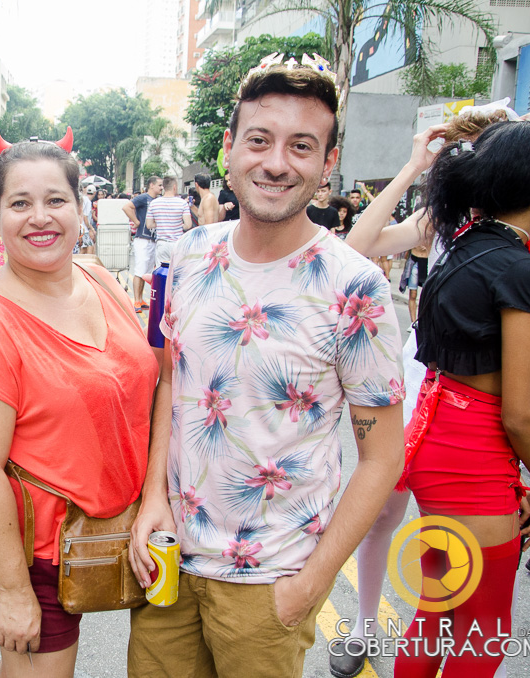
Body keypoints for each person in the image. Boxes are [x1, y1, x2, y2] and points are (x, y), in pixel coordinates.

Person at [127, 55, 405, 678]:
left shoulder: (354, 287)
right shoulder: (187, 255)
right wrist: (152, 501)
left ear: (327, 163)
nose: (277, 162)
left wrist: (310, 583)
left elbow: (384, 457)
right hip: (170, 562)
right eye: (259, 139)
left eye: (301, 146)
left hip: (272, 582)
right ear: (230, 148)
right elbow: (174, 380)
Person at [0, 134, 158, 678]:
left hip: (109, 529)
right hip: (32, 547)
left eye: (55, 200)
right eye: (20, 203)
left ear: (80, 208)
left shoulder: (100, 279)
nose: (40, 217)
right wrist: (15, 592)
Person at [394, 120, 530, 677]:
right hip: (474, 461)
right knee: (483, 631)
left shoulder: (461, 247)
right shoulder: (522, 271)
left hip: (435, 441)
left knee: (437, 614)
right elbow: (519, 412)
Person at [122, 176, 162, 310]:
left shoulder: (156, 201)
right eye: (159, 185)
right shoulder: (143, 198)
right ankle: (136, 300)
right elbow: (127, 207)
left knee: (146, 270)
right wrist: (136, 221)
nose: (161, 188)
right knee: (140, 270)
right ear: (151, 185)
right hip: (143, 239)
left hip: (152, 239)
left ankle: (141, 299)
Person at [145, 176, 191, 266]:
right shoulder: (182, 203)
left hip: (161, 243)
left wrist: (161, 223)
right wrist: (178, 225)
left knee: (162, 272)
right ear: (174, 187)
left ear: (163, 187)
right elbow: (188, 225)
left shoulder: (154, 203)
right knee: (177, 272)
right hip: (177, 243)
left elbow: (149, 225)